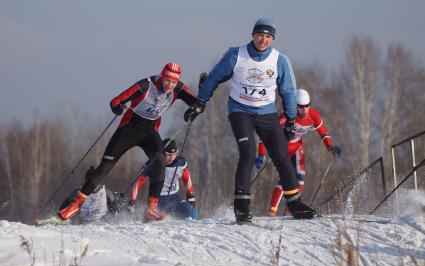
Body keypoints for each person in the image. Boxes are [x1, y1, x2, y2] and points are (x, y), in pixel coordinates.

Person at [184, 18, 315, 222]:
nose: (263, 40)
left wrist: (290, 120)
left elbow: (288, 91)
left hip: (266, 113)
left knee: (282, 156)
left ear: (272, 39)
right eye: (260, 35)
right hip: (240, 111)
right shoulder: (236, 55)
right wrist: (200, 102)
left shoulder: (280, 61)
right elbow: (214, 78)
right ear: (253, 35)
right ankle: (242, 207)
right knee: (248, 153)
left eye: (268, 36)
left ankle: (295, 203)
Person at [57, 63, 197, 222]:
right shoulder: (146, 85)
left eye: (173, 82)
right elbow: (116, 100)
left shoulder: (178, 89)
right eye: (167, 81)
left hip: (150, 132)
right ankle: (74, 206)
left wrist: (194, 109)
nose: (169, 85)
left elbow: (197, 103)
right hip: (128, 130)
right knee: (104, 168)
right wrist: (117, 107)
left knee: (159, 162)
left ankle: (152, 208)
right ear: (162, 76)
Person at [255, 89, 342, 216]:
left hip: (296, 148)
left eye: (307, 106)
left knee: (300, 179)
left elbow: (323, 132)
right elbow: (266, 136)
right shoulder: (285, 117)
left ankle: (291, 210)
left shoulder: (314, 115)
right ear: (294, 105)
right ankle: (272, 210)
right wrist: (261, 154)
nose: (305, 110)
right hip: (282, 150)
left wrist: (330, 147)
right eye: (301, 107)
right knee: (286, 178)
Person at [128, 138, 198, 220]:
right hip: (157, 200)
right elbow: (139, 180)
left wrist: (190, 194)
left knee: (193, 215)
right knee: (156, 220)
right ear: (162, 153)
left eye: (174, 154)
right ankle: (141, 219)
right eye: (168, 154)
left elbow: (186, 175)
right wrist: (132, 199)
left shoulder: (180, 163)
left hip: (174, 198)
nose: (172, 157)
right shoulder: (153, 163)